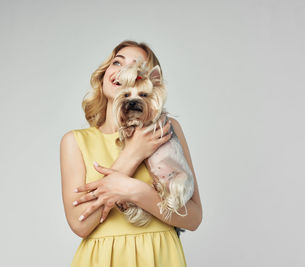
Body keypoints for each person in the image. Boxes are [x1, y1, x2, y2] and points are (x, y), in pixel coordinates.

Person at [60, 40, 203, 267]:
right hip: (101, 259)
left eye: (136, 66)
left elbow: (194, 218)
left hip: (160, 256)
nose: (125, 70)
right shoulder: (75, 141)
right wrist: (133, 154)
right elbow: (81, 224)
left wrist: (135, 191)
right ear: (104, 74)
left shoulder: (166, 129)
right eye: (117, 62)